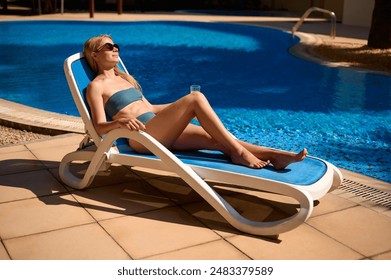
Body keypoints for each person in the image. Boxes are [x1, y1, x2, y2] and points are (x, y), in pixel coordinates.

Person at [83, 35, 308, 169]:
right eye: (108, 47)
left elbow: (150, 108)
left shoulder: (125, 79)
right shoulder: (97, 86)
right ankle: (240, 154)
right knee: (196, 98)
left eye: (116, 47)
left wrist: (181, 108)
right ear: (94, 54)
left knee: (219, 139)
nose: (115, 50)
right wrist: (120, 124)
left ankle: (276, 156)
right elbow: (98, 126)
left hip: (159, 127)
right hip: (141, 139)